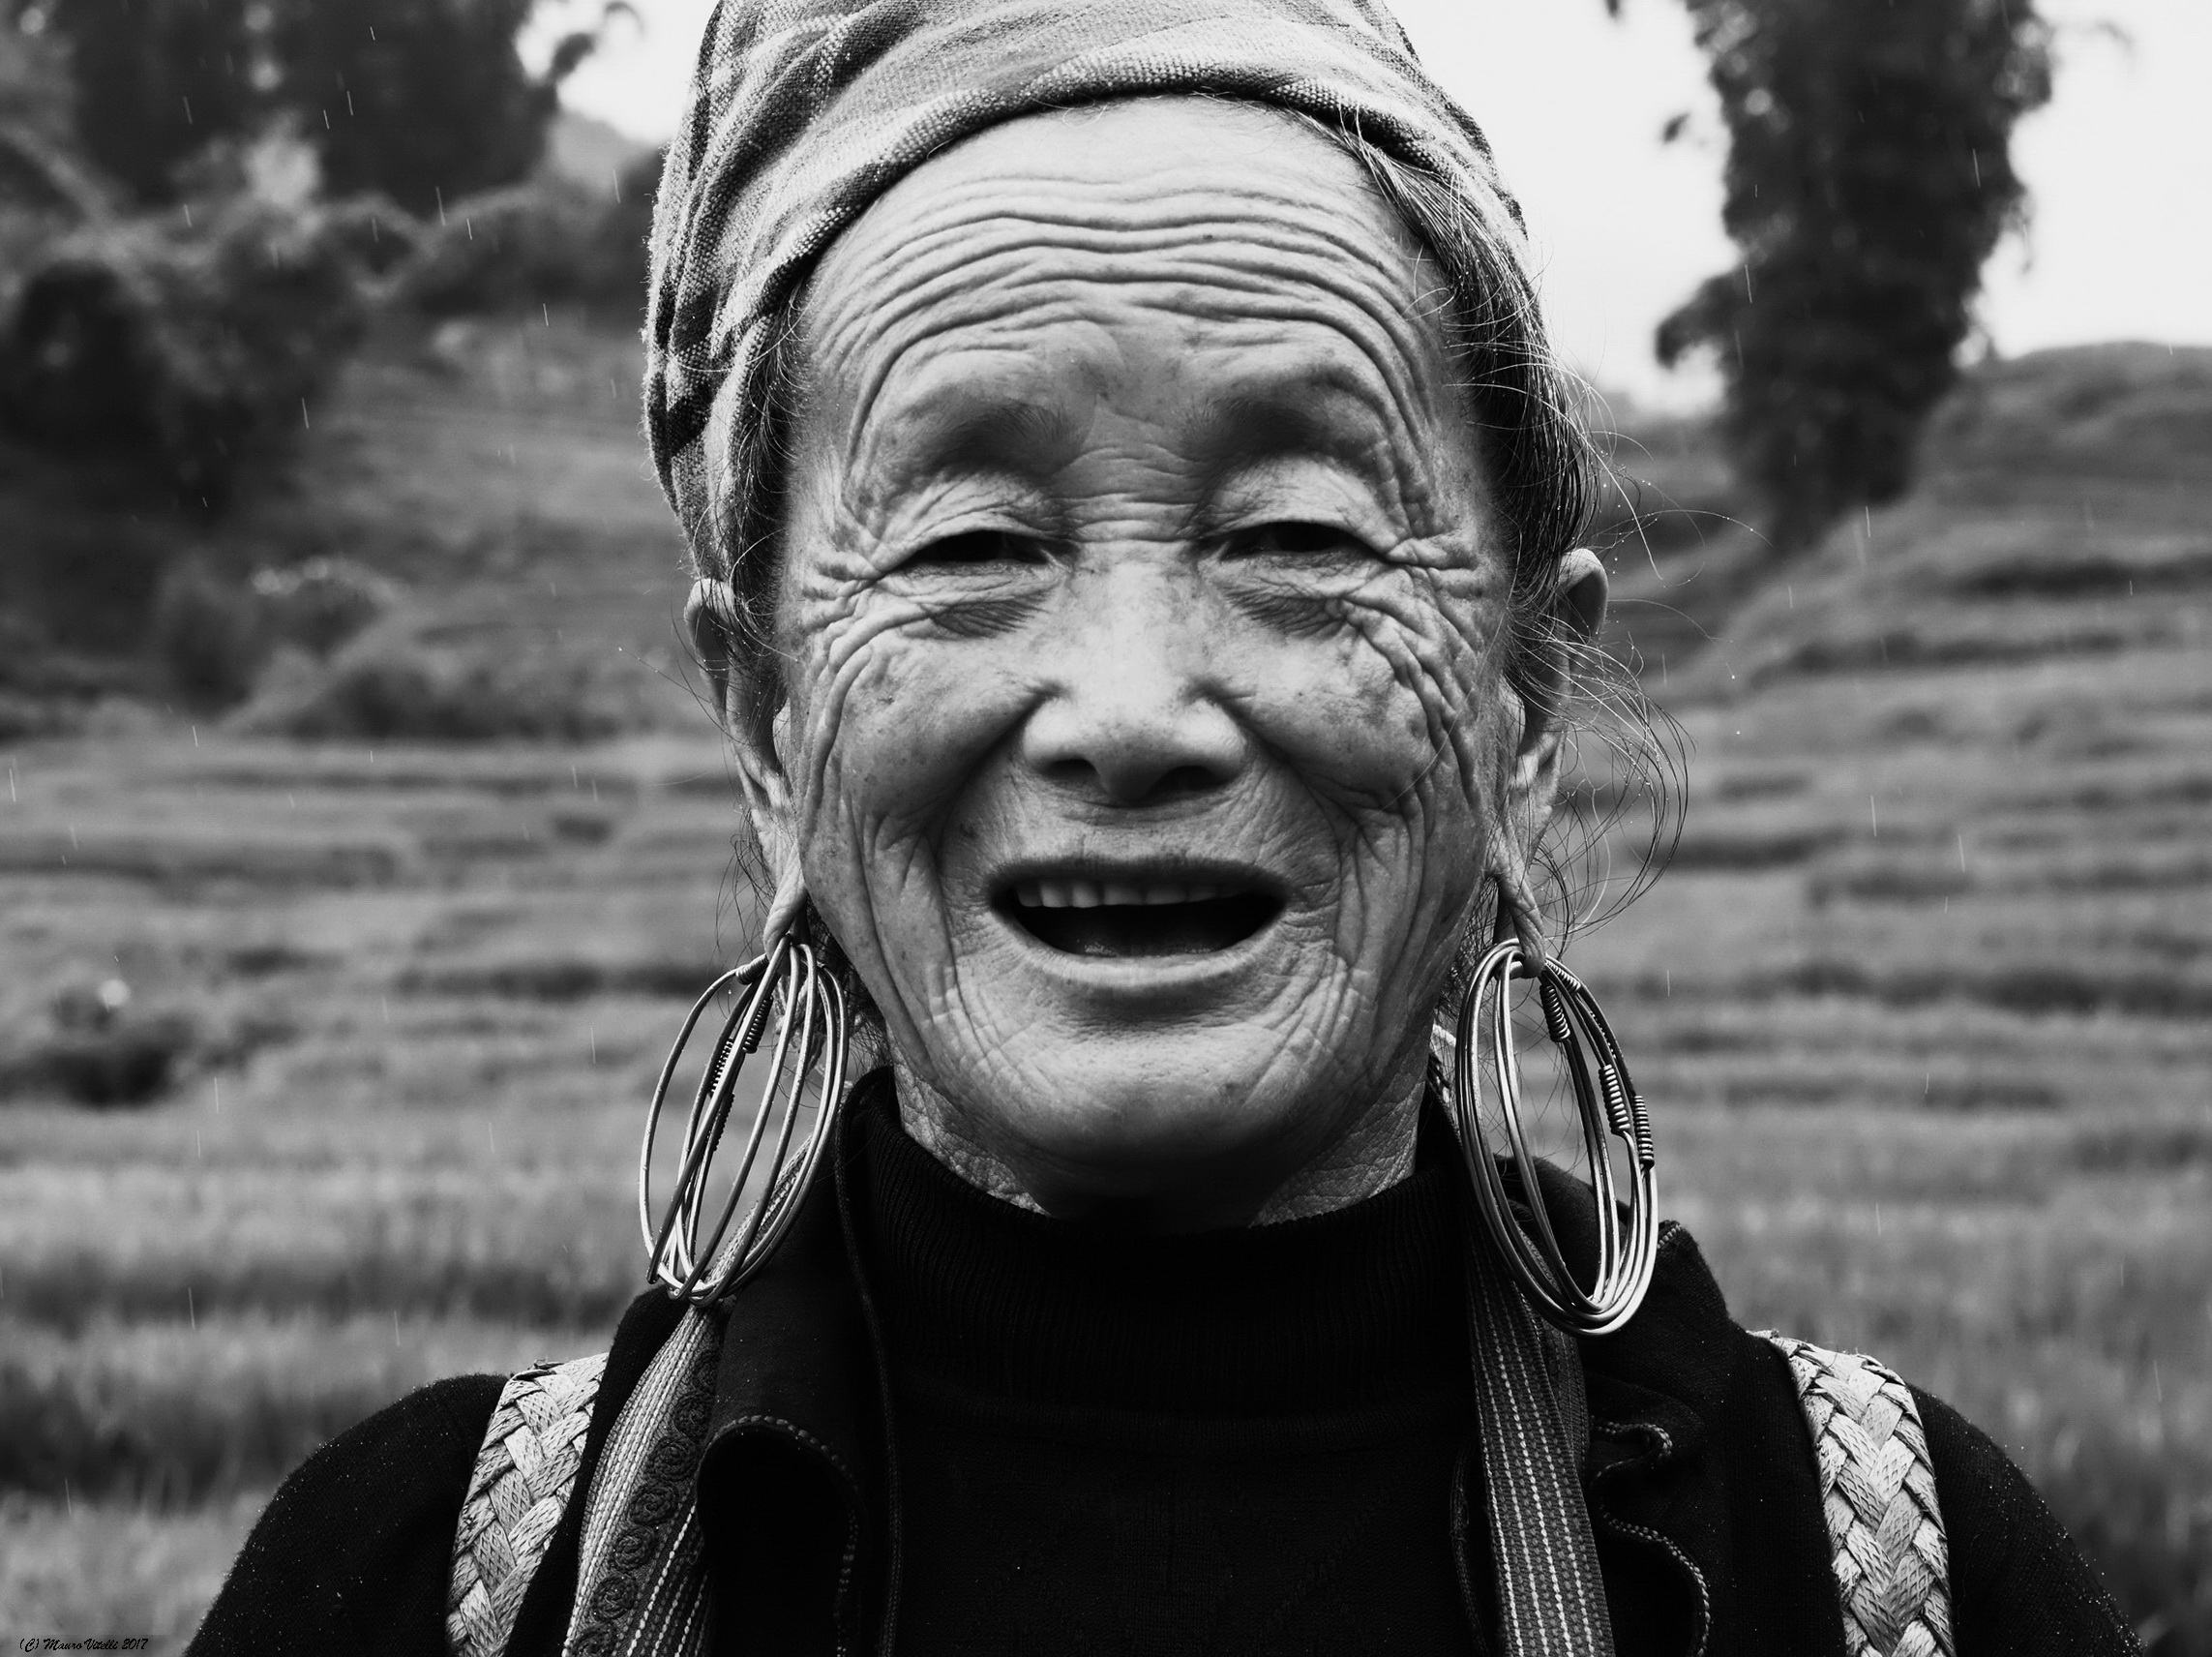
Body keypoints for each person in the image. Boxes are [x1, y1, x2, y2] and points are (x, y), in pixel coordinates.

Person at [188, 3, 2137, 1654]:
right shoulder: (408, 1580)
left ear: (1528, 694)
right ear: (768, 725)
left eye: (1296, 534)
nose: (1129, 710)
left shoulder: (1891, 1572)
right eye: (967, 545)